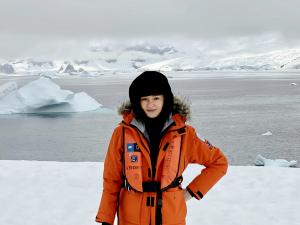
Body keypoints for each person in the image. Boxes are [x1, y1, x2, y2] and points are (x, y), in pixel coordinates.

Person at [95, 71, 228, 225]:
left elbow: (219, 163)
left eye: (156, 98)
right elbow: (111, 180)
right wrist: (106, 219)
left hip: (171, 217)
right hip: (131, 219)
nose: (150, 104)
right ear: (137, 101)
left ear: (166, 99)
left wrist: (191, 192)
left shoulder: (185, 134)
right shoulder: (122, 133)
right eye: (144, 99)